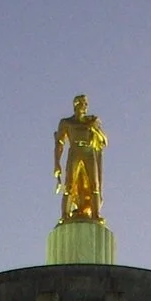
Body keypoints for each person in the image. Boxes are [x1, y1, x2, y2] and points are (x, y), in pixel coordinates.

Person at [54, 94, 106, 222]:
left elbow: (103, 142)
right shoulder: (67, 122)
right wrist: (57, 163)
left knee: (94, 184)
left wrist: (95, 129)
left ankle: (95, 214)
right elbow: (59, 143)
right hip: (75, 151)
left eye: (86, 104)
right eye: (83, 103)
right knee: (69, 184)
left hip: (89, 152)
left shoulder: (92, 121)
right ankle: (65, 215)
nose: (85, 106)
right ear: (76, 105)